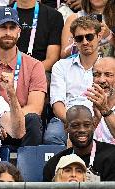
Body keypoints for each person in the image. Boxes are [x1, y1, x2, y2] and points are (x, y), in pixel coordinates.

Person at [0, 7, 46, 147]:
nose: (8, 33)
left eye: (12, 27)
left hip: (21, 126)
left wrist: (8, 121)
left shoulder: (35, 66)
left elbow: (35, 107)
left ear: (18, 32)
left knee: (33, 120)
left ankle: (28, 167)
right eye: (2, 27)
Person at [43, 16, 102, 145]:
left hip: (99, 117)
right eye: (79, 38)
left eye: (89, 37)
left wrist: (93, 122)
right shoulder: (61, 66)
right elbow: (57, 103)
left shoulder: (108, 66)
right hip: (66, 118)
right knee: (53, 136)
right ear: (74, 41)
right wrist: (74, 124)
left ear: (99, 36)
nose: (85, 42)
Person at [0, 0, 64, 73]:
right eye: (4, 27)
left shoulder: (54, 16)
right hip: (2, 71)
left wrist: (23, 74)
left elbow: (51, 60)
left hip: (38, 71)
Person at [43, 105, 115, 182]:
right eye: (75, 126)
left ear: (93, 126)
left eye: (87, 125)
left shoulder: (112, 156)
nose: (82, 130)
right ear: (66, 127)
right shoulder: (54, 164)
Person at [85, 57, 115, 144]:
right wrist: (96, 120)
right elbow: (72, 145)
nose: (101, 80)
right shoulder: (84, 103)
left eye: (108, 74)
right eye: (96, 75)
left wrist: (105, 110)